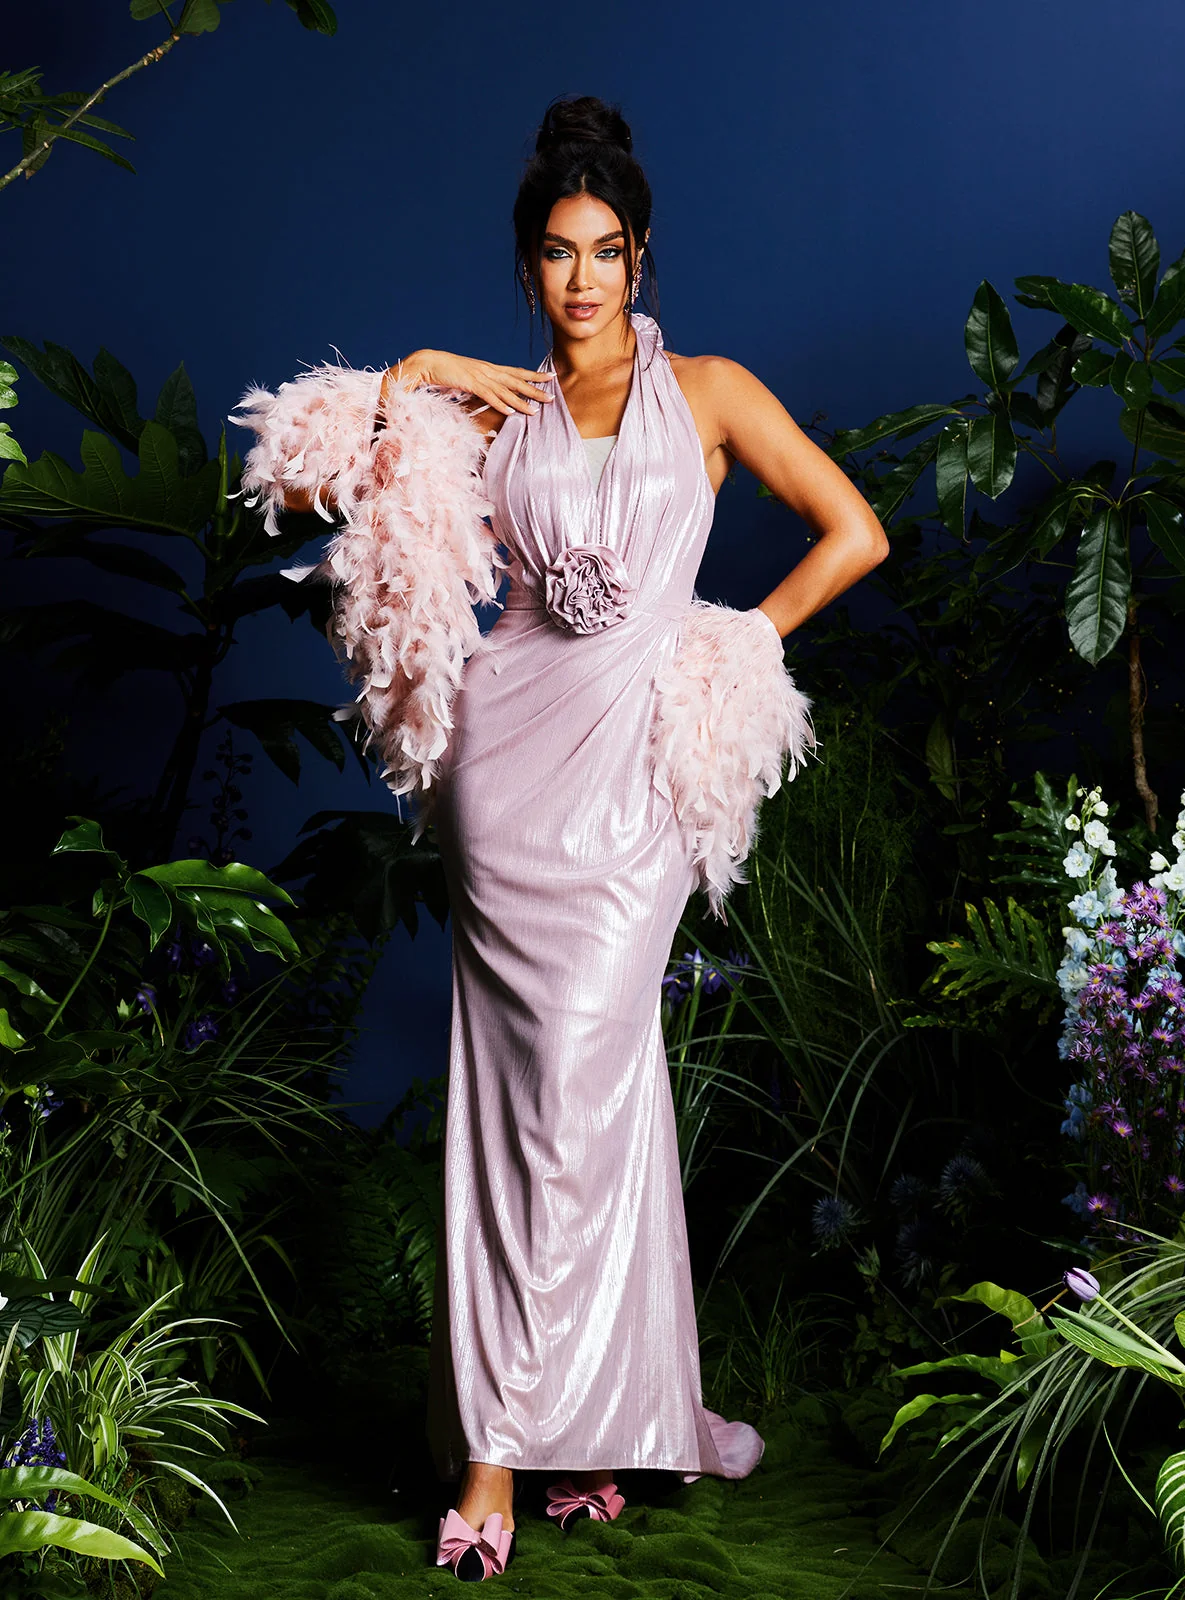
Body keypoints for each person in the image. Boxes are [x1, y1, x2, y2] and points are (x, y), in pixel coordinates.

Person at [282, 93, 887, 1584]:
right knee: (519, 1098)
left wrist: (735, 641)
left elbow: (856, 532)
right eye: (557, 254)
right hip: (510, 770)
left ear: (642, 257)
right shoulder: (498, 408)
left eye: (606, 252)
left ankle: (587, 1412)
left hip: (639, 777)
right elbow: (314, 485)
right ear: (528, 266)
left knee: (592, 1080)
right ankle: (504, 1450)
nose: (582, 279)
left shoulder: (716, 394)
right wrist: (418, 378)